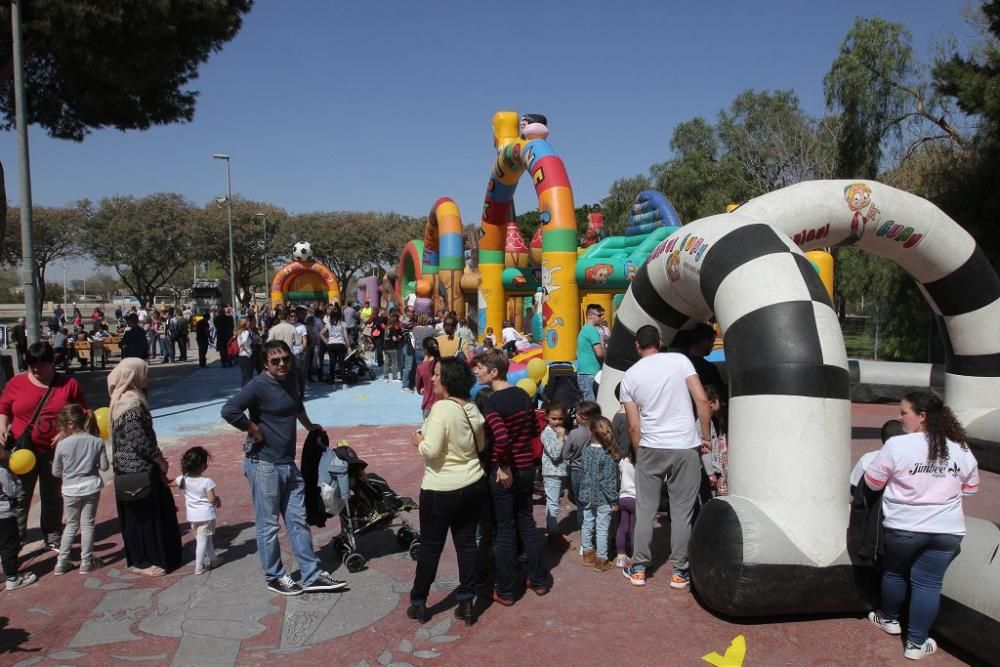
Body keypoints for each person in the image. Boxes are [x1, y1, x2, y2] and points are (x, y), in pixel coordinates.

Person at [221, 340, 346, 595]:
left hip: (287, 464)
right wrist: (253, 429)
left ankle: (311, 575)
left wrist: (311, 427)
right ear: (265, 363)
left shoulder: (291, 378)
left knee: (298, 521)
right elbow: (229, 409)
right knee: (268, 525)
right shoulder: (258, 385)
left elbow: (297, 405)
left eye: (286, 359)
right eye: (275, 361)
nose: (282, 364)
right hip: (263, 464)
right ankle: (274, 576)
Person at [864, 391, 979, 661]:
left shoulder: (897, 446)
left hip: (904, 526)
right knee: (928, 583)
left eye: (904, 412)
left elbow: (872, 483)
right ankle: (916, 643)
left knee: (894, 573)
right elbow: (971, 489)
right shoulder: (960, 447)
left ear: (922, 416)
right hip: (946, 530)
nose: (900, 417)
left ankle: (889, 619)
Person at [620, 325, 711, 590]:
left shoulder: (630, 376)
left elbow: (633, 425)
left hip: (650, 447)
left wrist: (638, 454)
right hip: (685, 445)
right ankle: (680, 572)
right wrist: (704, 436)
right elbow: (702, 401)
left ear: (637, 346)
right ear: (660, 342)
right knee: (683, 511)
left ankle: (638, 568)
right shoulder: (680, 361)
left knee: (645, 509)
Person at [407, 357, 487, 625]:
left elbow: (432, 450)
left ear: (449, 379)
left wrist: (419, 440)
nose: (433, 379)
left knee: (431, 547)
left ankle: (419, 601)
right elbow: (481, 445)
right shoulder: (473, 409)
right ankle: (466, 599)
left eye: (438, 375)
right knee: (466, 545)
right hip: (472, 483)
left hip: (440, 488)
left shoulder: (441, 408)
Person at [474, 349, 550, 604]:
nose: (477, 371)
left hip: (505, 471)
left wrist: (503, 465)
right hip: (526, 467)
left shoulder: (493, 403)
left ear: (494, 372)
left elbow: (502, 438)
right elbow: (530, 430)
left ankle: (506, 589)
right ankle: (539, 580)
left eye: (481, 367)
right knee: (527, 522)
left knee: (505, 529)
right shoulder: (522, 395)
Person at [0, 341, 87, 548]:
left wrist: (66, 432)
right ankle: (16, 536)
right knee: (20, 495)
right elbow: (4, 407)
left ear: (52, 362)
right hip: (23, 451)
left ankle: (52, 531)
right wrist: (2, 426)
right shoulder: (17, 383)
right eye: (32, 366)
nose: (36, 370)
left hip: (54, 451)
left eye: (41, 365)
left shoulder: (68, 384)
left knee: (52, 495)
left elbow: (82, 412)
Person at [108, 358, 183, 576]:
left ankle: (146, 557)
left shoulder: (121, 400)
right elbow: (138, 439)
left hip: (127, 471)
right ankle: (146, 561)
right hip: (138, 471)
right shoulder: (131, 403)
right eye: (144, 373)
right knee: (146, 519)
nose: (147, 378)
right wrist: (159, 459)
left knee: (140, 519)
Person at [51, 404, 108, 575]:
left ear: (69, 424)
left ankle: (61, 562)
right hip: (91, 486)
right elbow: (104, 466)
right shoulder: (96, 441)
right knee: (88, 524)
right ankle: (86, 561)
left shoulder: (62, 445)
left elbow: (56, 471)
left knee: (71, 525)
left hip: (70, 489)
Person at [579, 416, 620, 572]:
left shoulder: (586, 450)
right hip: (603, 498)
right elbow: (608, 482)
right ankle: (601, 559)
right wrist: (614, 500)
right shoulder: (607, 455)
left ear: (591, 432)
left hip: (587, 494)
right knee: (602, 528)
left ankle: (587, 554)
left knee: (587, 523)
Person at [175, 446, 222, 575]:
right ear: (202, 466)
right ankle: (199, 567)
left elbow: (171, 483)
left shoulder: (182, 479)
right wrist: (217, 500)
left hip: (193, 517)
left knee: (207, 538)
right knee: (202, 541)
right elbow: (211, 499)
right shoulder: (206, 481)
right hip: (206, 516)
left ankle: (214, 559)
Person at [561, 401, 601, 540]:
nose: (575, 415)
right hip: (595, 470)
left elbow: (565, 454)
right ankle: (596, 531)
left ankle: (585, 534)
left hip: (577, 470)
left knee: (580, 504)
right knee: (594, 503)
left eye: (577, 413)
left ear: (583, 417)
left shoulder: (575, 433)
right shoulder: (600, 431)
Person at [0, 449, 36, 590]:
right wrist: (15, 479)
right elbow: (12, 491)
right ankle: (13, 579)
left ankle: (9, 573)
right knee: (9, 545)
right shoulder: (2, 471)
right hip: (4, 513)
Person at [539, 400, 573, 551]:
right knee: (552, 503)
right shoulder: (546, 433)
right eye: (554, 418)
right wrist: (561, 438)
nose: (557, 421)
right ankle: (554, 535)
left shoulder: (561, 431)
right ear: (547, 417)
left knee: (555, 502)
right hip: (552, 473)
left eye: (560, 418)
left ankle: (555, 532)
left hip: (561, 472)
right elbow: (554, 454)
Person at [682, 323, 725, 396]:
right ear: (705, 341)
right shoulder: (709, 368)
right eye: (713, 341)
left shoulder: (679, 362)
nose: (713, 346)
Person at [575, 304, 606, 401]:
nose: (602, 317)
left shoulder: (585, 329)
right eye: (599, 315)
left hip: (586, 374)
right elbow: (599, 353)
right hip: (590, 374)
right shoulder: (591, 330)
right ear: (590, 315)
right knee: (590, 409)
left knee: (589, 407)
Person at [615, 443, 636, 568]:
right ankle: (634, 555)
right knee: (634, 529)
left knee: (622, 527)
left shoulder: (623, 462)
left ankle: (620, 557)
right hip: (635, 499)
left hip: (623, 497)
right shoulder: (641, 465)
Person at [320, 308, 350, 386]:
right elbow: (346, 336)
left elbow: (321, 333)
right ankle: (344, 383)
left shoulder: (328, 324)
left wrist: (327, 342)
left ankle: (332, 382)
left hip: (331, 345)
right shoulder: (342, 323)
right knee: (341, 364)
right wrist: (349, 346)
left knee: (332, 364)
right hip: (340, 344)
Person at [415, 338, 441, 419]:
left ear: (425, 350)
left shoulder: (421, 368)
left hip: (429, 405)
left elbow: (419, 389)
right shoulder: (443, 364)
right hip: (442, 405)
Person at [236, 318, 255, 387]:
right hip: (247, 355)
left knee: (244, 376)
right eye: (247, 322)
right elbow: (243, 342)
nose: (249, 323)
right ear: (244, 324)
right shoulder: (246, 332)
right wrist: (243, 347)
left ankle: (244, 391)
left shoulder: (239, 332)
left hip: (241, 356)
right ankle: (248, 392)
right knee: (249, 376)